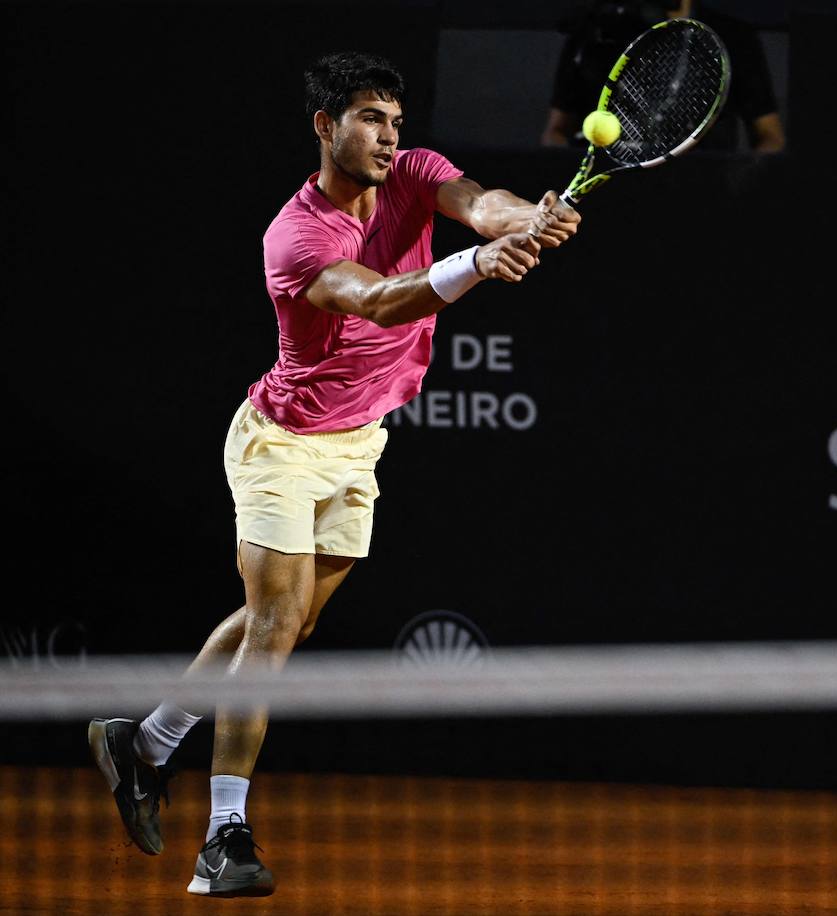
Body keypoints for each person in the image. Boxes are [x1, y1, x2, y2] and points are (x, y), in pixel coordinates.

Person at [87, 51, 580, 898]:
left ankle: (143, 744)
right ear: (325, 126)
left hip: (360, 444)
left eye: (395, 119)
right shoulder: (297, 234)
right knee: (274, 625)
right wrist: (474, 267)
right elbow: (380, 300)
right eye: (368, 119)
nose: (390, 137)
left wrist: (521, 219)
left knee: (281, 623)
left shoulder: (417, 171)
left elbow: (480, 204)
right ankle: (225, 837)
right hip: (280, 444)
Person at [541, 0, 786, 154]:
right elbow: (556, 132)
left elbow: (770, 137)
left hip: (704, 196)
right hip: (607, 199)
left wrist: (739, 188)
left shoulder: (734, 38)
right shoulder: (591, 34)